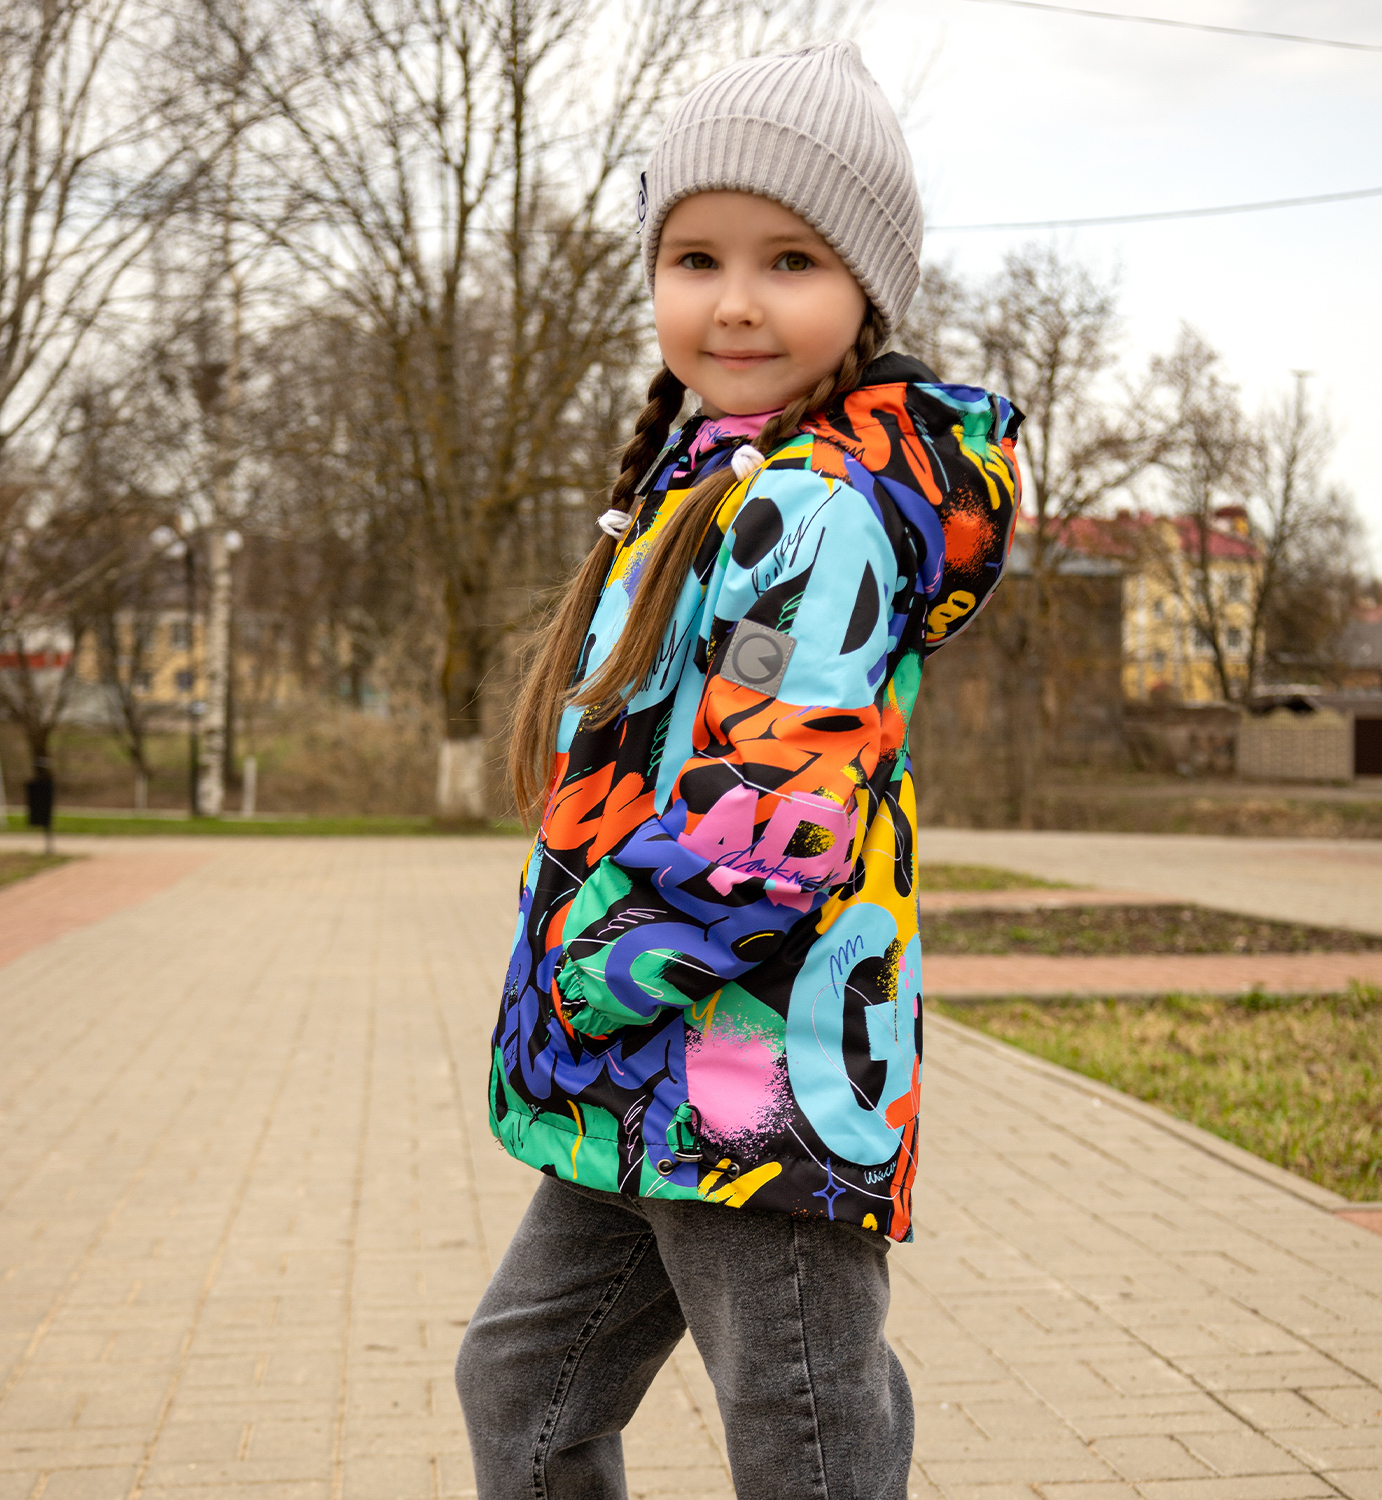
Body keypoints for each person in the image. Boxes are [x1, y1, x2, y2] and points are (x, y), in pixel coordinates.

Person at [456, 40, 1021, 1500]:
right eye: (696, 258)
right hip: (649, 1070)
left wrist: (595, 971)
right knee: (523, 1383)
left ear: (867, 293)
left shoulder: (817, 510)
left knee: (804, 1434)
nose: (737, 301)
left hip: (749, 1077)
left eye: (791, 261)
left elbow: (774, 813)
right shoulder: (710, 480)